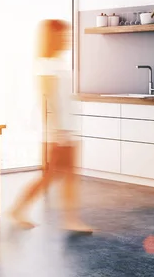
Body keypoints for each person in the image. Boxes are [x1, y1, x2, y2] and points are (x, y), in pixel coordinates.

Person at [10, 19, 93, 234]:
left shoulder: (58, 63)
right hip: (58, 132)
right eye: (63, 35)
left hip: (66, 129)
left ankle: (68, 219)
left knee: (62, 176)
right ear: (52, 37)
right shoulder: (46, 64)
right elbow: (48, 99)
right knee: (52, 176)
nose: (67, 39)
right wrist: (57, 131)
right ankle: (22, 210)